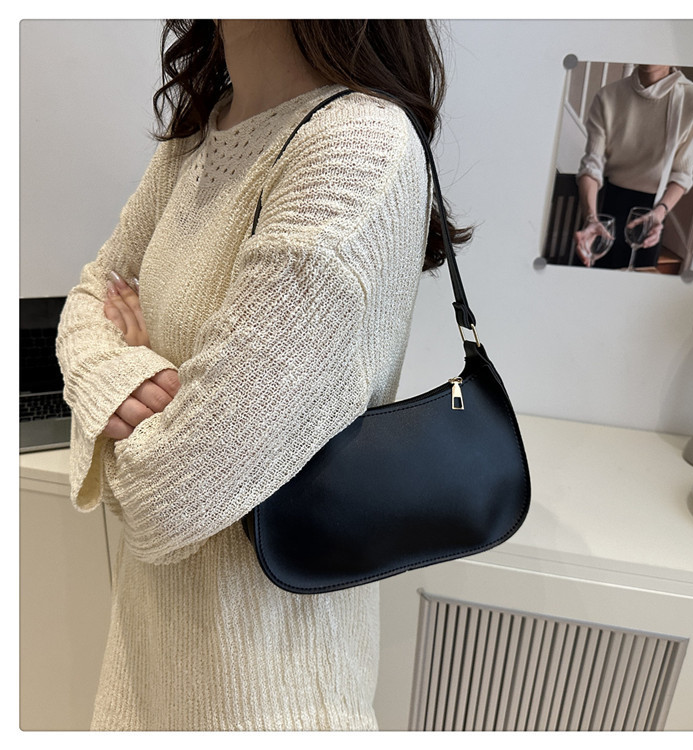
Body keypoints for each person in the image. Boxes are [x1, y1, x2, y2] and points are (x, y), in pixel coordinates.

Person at [55, 19, 471, 731]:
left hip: (262, 700)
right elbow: (92, 293)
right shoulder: (201, 132)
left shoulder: (358, 146)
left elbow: (167, 497)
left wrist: (131, 388)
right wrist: (119, 369)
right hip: (143, 669)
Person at [574, 64, 693, 269]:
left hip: (652, 213)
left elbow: (682, 174)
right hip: (604, 207)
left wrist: (660, 213)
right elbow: (591, 165)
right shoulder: (608, 96)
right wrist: (591, 218)